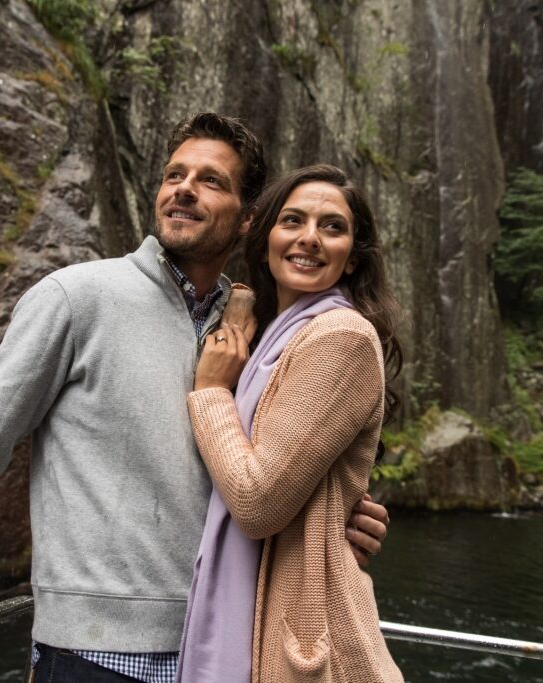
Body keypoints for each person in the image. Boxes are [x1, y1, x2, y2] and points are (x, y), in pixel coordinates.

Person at [0, 115, 391, 683]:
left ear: (248, 217)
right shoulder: (75, 298)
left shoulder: (252, 329)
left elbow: (264, 471)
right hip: (91, 658)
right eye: (174, 175)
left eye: (210, 181)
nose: (183, 190)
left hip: (223, 651)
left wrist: (332, 518)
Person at [177, 165, 404, 682]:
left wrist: (211, 391)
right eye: (293, 220)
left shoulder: (340, 337)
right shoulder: (267, 340)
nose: (310, 238)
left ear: (352, 258)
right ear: (265, 242)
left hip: (309, 634)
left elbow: (258, 503)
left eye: (332, 227)